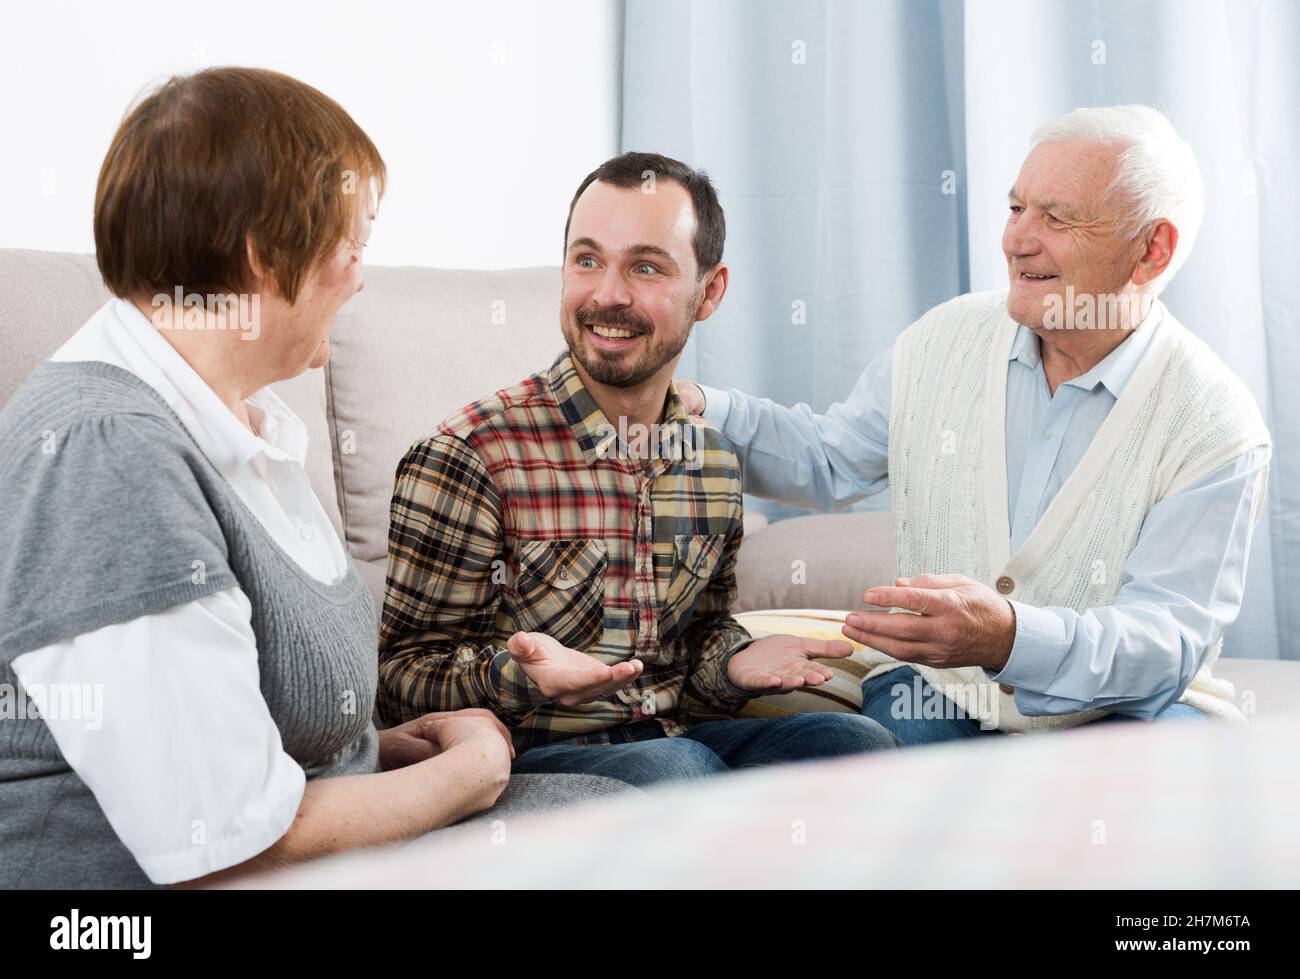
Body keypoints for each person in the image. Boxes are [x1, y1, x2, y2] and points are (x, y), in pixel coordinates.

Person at [0, 68, 522, 889]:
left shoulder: (238, 422)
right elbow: (224, 846)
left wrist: (375, 749)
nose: (359, 276)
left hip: (323, 853)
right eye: (351, 246)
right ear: (259, 255)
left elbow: (223, 721)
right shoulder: (108, 454)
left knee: (664, 788)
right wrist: (466, 774)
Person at [676, 106, 1271, 745]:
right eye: (1017, 209)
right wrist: (700, 408)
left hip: (1126, 708)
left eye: (1058, 217)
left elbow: (1162, 642)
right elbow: (830, 459)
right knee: (891, 777)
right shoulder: (944, 340)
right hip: (935, 685)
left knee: (1141, 796)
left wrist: (1011, 638)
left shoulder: (1214, 420)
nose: (1018, 240)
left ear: (1152, 250)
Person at [378, 152, 898, 786]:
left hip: (679, 740)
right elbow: (401, 678)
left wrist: (734, 661)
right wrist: (521, 675)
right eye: (587, 260)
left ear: (709, 293)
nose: (607, 295)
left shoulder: (710, 458)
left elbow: (700, 637)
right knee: (678, 769)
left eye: (645, 268)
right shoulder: (470, 456)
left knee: (852, 742)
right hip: (531, 758)